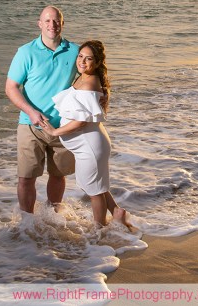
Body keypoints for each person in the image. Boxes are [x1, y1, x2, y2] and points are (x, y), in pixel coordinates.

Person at [40, 40, 131, 229]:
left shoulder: (89, 83)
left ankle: (99, 230)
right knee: (97, 185)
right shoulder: (83, 77)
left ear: (96, 62)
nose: (82, 61)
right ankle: (117, 212)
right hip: (90, 144)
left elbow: (80, 121)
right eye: (80, 56)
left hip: (89, 147)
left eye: (88, 58)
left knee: (95, 192)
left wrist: (55, 131)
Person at [5, 6, 79, 213]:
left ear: (62, 23)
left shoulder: (75, 51)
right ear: (39, 24)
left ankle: (52, 218)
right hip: (30, 126)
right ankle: (27, 223)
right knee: (26, 177)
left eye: (56, 21)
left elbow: (91, 79)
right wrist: (31, 112)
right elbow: (11, 87)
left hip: (62, 126)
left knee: (58, 175)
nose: (51, 25)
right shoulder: (25, 52)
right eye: (47, 21)